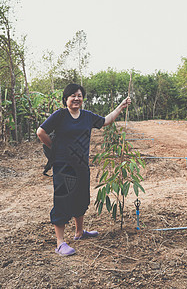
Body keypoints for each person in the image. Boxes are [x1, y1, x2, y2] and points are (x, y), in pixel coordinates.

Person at [37, 83, 131, 256]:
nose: (76, 98)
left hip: (82, 166)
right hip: (63, 166)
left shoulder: (87, 116)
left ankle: (79, 232)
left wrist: (120, 106)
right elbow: (40, 131)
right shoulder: (60, 115)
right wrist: (55, 149)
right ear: (66, 99)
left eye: (79, 95)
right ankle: (60, 242)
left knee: (81, 198)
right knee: (63, 200)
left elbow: (106, 121)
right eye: (72, 95)